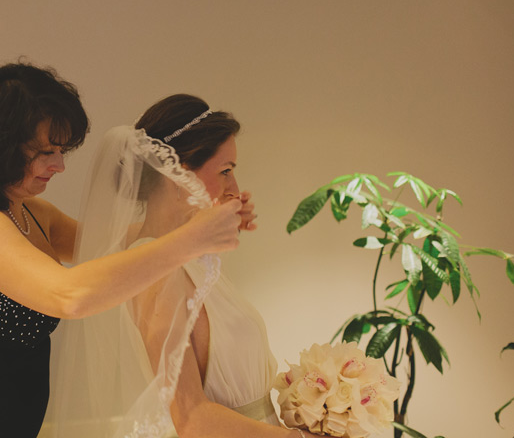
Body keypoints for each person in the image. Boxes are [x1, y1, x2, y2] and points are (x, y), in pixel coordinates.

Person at [0, 65, 253, 438]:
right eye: (45, 151)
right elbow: (70, 295)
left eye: (62, 150)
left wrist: (209, 218)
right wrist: (192, 239)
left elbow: (126, 242)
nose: (58, 165)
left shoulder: (27, 213)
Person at [47, 94, 317, 438]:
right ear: (178, 176)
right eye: (225, 171)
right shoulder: (159, 274)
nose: (234, 188)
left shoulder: (187, 259)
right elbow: (189, 419)